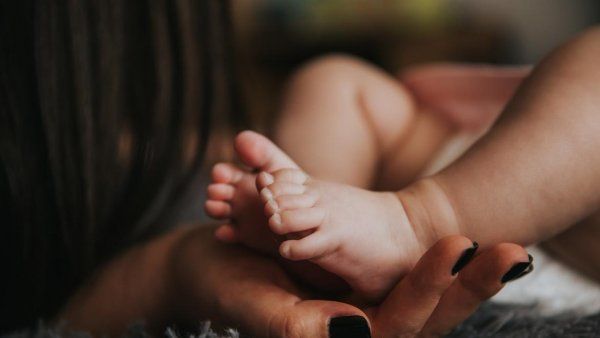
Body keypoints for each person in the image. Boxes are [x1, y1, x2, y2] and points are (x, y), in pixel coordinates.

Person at [0, 1, 533, 336]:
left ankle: (351, 228)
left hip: (501, 195)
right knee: (329, 78)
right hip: (429, 162)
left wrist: (170, 269)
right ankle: (324, 235)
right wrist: (171, 272)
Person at [205, 26, 600, 303]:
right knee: (333, 79)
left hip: (573, 242)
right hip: (469, 160)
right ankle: (317, 228)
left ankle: (417, 223)